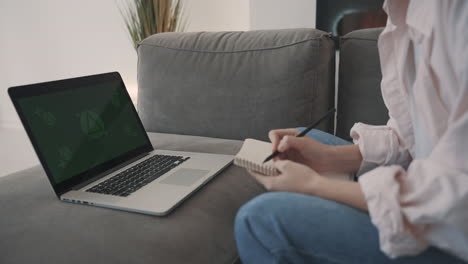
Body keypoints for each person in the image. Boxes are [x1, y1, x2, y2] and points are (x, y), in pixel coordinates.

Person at [234, 0, 468, 263]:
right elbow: (411, 138)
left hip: (455, 231)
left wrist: (315, 185)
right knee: (302, 137)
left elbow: (456, 195)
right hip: (434, 190)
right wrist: (328, 157)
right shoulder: (404, 12)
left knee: (260, 222)